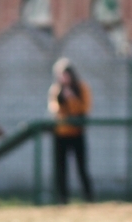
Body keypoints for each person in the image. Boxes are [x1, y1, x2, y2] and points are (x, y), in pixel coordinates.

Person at [48, 57, 93, 203]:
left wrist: (72, 98)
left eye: (66, 74)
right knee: (61, 169)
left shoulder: (82, 88)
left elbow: (84, 108)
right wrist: (63, 98)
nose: (64, 78)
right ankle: (62, 199)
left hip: (77, 133)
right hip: (61, 134)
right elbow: (56, 110)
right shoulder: (56, 90)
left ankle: (88, 198)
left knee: (81, 167)